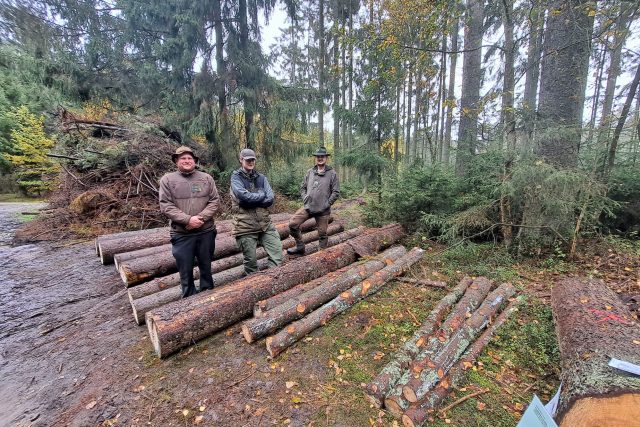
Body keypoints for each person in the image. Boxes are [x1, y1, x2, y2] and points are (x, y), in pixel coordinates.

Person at [159, 146, 220, 298]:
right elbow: (165, 205)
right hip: (182, 234)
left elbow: (214, 201)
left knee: (206, 268)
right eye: (183, 158)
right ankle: (189, 300)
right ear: (176, 161)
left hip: (206, 231)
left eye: (189, 158)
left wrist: (201, 218)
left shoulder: (206, 178)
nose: (187, 161)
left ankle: (208, 296)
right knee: (185, 271)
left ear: (195, 161)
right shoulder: (168, 180)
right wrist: (188, 220)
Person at [230, 148, 283, 275]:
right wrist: (261, 195)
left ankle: (274, 281)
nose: (251, 162)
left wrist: (252, 200)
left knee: (277, 253)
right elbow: (243, 197)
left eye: (252, 159)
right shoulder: (235, 178)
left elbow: (270, 198)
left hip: (265, 224)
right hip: (245, 226)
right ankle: (254, 286)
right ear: (241, 160)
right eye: (248, 159)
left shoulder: (262, 178)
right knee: (251, 263)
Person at [287, 146, 340, 255]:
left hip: (323, 210)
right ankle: (300, 246)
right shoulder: (310, 172)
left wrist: (327, 204)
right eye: (318, 156)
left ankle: (321, 256)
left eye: (322, 156)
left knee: (322, 234)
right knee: (293, 223)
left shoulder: (332, 173)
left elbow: (336, 192)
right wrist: (305, 197)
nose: (320, 158)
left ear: (326, 158)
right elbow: (302, 187)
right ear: (315, 158)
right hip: (308, 207)